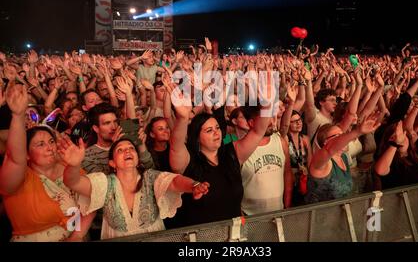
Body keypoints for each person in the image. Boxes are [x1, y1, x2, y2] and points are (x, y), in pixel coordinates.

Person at [61, 137, 209, 240]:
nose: (127, 151)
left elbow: (174, 181)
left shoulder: (150, 177)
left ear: (138, 159)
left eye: (131, 148)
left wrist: (193, 185)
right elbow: (73, 182)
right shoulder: (104, 183)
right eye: (120, 150)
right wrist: (73, 165)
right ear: (112, 163)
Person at [0, 82, 94, 241]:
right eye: (40, 144)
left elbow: (91, 204)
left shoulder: (69, 168)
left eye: (51, 142)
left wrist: (76, 236)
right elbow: (15, 158)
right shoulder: (18, 179)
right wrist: (18, 116)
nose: (50, 147)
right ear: (27, 154)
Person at [169, 90, 272, 227]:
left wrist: (267, 106)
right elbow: (175, 146)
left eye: (217, 127)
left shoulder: (231, 153)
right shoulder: (189, 161)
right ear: (197, 137)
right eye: (209, 130)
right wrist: (182, 118)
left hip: (234, 237)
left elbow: (258, 131)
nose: (216, 132)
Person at [305, 113, 381, 203]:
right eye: (338, 136)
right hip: (320, 215)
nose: (343, 138)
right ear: (325, 142)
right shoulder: (321, 159)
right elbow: (329, 149)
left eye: (342, 134)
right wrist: (357, 132)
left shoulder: (343, 157)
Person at [240, 106, 294, 215]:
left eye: (271, 117)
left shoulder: (280, 141)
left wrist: (287, 206)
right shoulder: (241, 148)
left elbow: (287, 173)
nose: (271, 122)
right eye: (265, 119)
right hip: (249, 216)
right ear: (251, 123)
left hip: (278, 214)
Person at [374, 121, 418, 189]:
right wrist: (396, 143)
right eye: (393, 137)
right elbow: (380, 170)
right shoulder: (390, 161)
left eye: (402, 136)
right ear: (387, 142)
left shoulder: (416, 156)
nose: (400, 140)